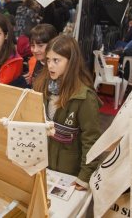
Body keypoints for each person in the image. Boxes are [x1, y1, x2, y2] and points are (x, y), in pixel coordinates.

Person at [33, 35, 101, 190]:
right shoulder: (41, 86)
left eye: (56, 60)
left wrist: (85, 176)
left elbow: (91, 140)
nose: (50, 66)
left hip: (70, 172)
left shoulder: (84, 97)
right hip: (44, 166)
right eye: (48, 60)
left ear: (71, 62)